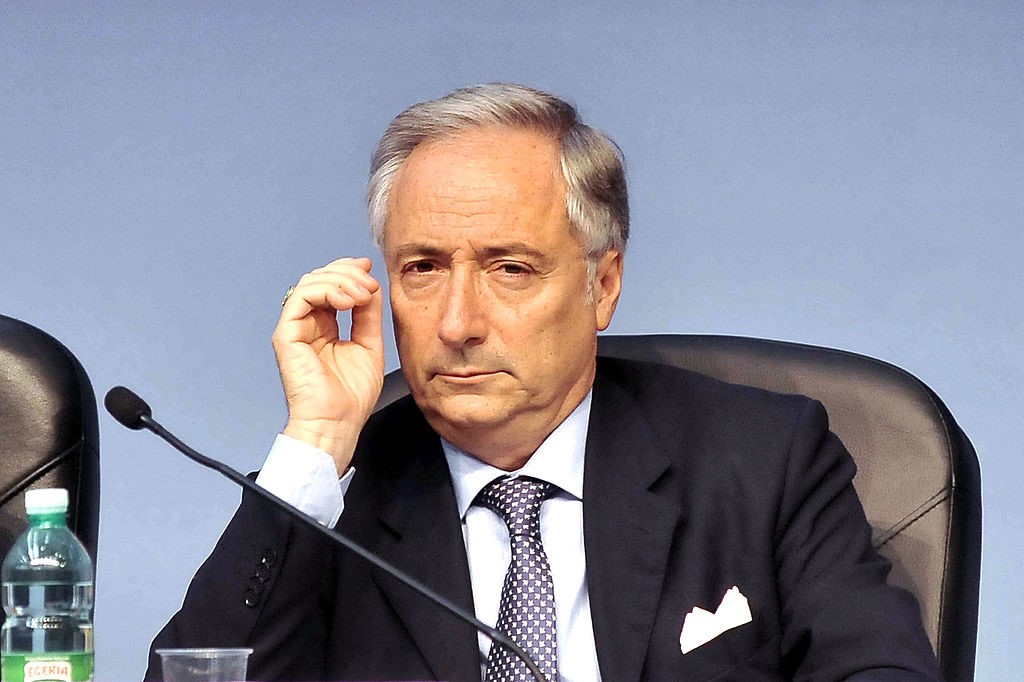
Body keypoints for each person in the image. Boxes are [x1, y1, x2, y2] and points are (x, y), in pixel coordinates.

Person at [145, 83, 941, 681]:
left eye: (510, 269)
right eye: (422, 269)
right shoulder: (336, 502)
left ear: (603, 285)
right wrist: (315, 442)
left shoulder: (763, 460)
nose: (458, 323)